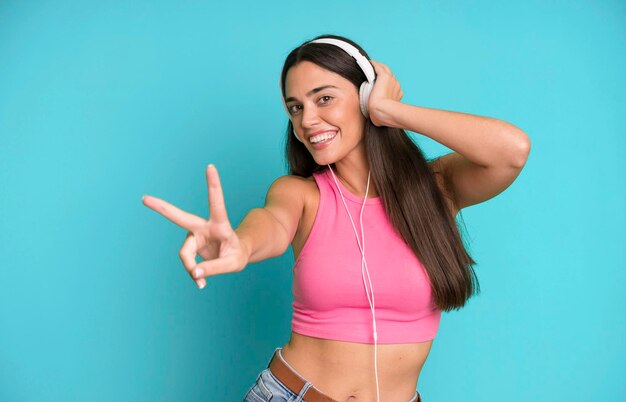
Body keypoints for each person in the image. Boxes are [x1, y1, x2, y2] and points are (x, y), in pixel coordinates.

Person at [142, 34, 530, 402]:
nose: (307, 120)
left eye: (324, 98)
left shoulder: (437, 187)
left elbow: (512, 151)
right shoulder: (300, 194)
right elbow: (272, 224)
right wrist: (240, 245)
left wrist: (390, 111)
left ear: (363, 98)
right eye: (296, 107)